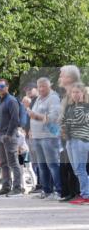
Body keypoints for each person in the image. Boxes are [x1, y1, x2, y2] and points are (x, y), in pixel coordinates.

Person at [27, 77, 63, 201]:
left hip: (49, 137)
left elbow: (54, 117)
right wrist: (31, 129)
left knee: (53, 165)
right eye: (39, 86)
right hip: (38, 137)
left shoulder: (53, 98)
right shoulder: (38, 99)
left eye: (44, 86)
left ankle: (58, 191)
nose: (41, 89)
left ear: (50, 86)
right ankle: (46, 190)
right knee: (42, 166)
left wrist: (35, 116)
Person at [0, 79, 24, 196]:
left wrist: (9, 134)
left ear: (7, 87)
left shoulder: (11, 100)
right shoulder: (1, 101)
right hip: (1, 136)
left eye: (1, 86)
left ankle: (17, 188)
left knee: (13, 163)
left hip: (9, 136)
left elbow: (15, 119)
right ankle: (6, 186)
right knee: (3, 163)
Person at [58, 65, 84, 201]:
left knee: (79, 166)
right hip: (66, 136)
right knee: (67, 166)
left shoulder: (80, 92)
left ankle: (81, 193)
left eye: (61, 75)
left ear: (69, 78)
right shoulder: (65, 95)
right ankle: (72, 193)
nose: (59, 78)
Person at [60, 82, 89, 204]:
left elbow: (80, 120)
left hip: (81, 140)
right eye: (73, 92)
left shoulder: (85, 107)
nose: (75, 94)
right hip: (70, 140)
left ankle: (86, 195)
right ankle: (84, 193)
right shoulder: (71, 107)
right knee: (76, 169)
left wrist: (67, 124)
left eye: (78, 92)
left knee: (80, 168)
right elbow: (64, 121)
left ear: (83, 93)